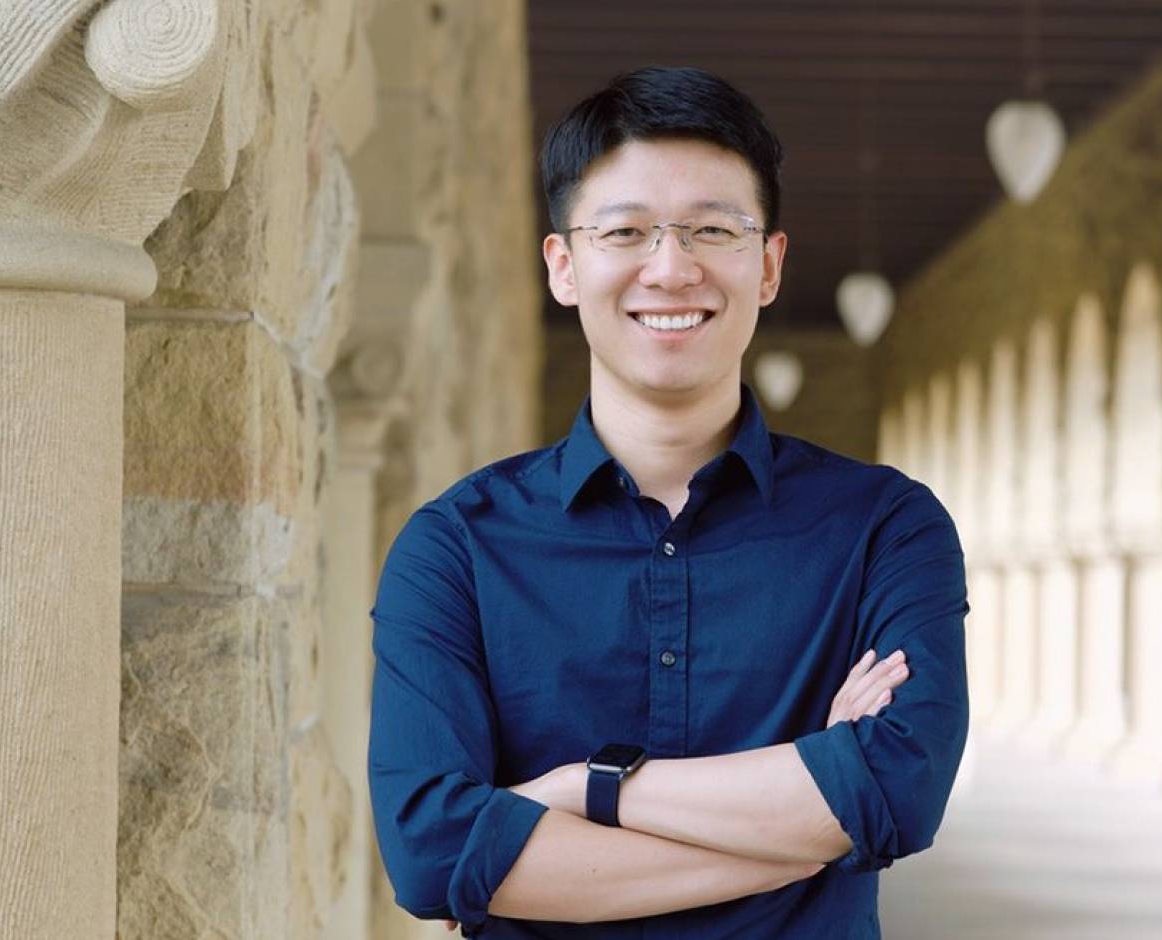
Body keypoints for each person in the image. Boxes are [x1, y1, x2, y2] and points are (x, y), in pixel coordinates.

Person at [368, 65, 970, 938]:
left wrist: (586, 789)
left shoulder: (884, 527)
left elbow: (899, 788)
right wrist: (803, 837)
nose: (671, 268)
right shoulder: (455, 547)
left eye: (712, 230)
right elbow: (433, 851)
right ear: (564, 266)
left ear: (768, 266)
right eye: (626, 231)